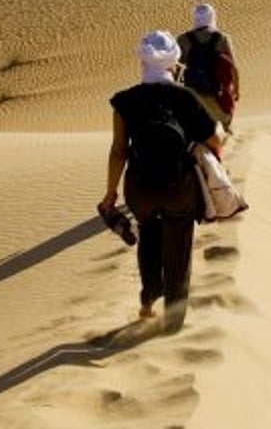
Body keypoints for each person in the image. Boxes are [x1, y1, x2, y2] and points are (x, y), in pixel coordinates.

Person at [102, 30, 223, 334]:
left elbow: (118, 150)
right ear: (175, 62)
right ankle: (174, 321)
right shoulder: (184, 97)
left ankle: (148, 297)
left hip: (139, 188)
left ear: (142, 62)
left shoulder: (125, 101)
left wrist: (110, 194)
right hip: (178, 187)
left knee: (148, 234)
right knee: (178, 246)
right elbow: (214, 137)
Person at [177, 3, 239, 134]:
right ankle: (227, 129)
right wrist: (236, 91)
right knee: (225, 120)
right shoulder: (222, 38)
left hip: (192, 93)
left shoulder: (183, 39)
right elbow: (233, 68)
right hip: (216, 93)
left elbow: (176, 68)